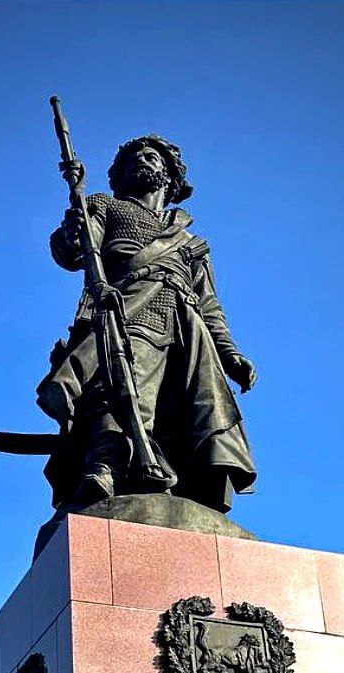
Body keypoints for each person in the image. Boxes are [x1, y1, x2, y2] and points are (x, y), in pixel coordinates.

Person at [36, 135, 258, 513]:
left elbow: (209, 304)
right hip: (131, 309)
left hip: (188, 330)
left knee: (195, 411)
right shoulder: (106, 205)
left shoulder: (190, 243)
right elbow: (74, 252)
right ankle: (104, 467)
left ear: (170, 176)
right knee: (121, 389)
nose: (141, 161)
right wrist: (73, 227)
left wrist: (230, 354)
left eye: (151, 157)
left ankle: (175, 483)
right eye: (132, 159)